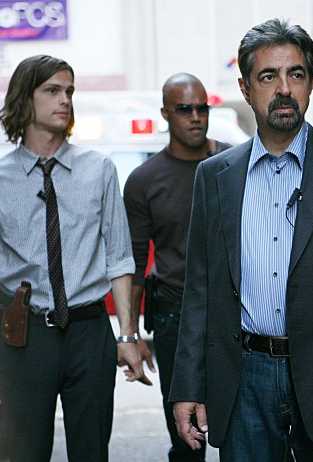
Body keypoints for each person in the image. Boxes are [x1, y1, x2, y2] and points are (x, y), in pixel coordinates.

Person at [169, 18, 313, 461]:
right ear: (245, 88)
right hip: (244, 380)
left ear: (311, 83)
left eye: (295, 74)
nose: (284, 88)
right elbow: (200, 292)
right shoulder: (216, 177)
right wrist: (187, 386)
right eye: (268, 76)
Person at [0, 55, 149, 462]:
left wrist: (127, 336)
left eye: (69, 91)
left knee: (92, 452)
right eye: (52, 90)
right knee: (23, 452)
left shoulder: (99, 169)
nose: (65, 100)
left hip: (89, 331)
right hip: (25, 335)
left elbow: (120, 259)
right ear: (24, 98)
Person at [124, 73, 232, 462]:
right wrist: (131, 334)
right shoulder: (144, 180)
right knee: (186, 437)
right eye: (185, 109)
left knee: (244, 429)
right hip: (174, 315)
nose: (196, 117)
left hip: (234, 313)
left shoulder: (234, 163)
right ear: (165, 113)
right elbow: (135, 263)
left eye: (202, 108)